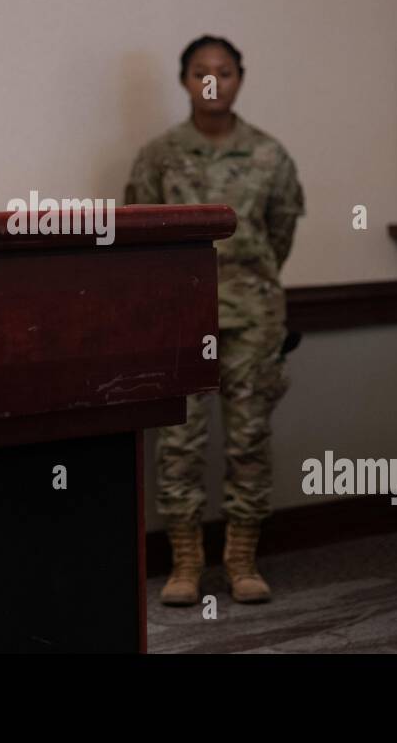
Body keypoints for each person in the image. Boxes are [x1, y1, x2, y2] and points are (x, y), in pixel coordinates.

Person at [125, 35, 304, 606]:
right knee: (179, 444)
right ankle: (185, 562)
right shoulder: (157, 157)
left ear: (239, 80)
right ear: (184, 81)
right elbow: (140, 238)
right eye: (201, 72)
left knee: (249, 440)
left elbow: (280, 237)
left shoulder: (271, 156)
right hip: (180, 319)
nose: (212, 82)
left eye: (224, 72)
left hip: (252, 320)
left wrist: (246, 284)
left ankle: (242, 559)